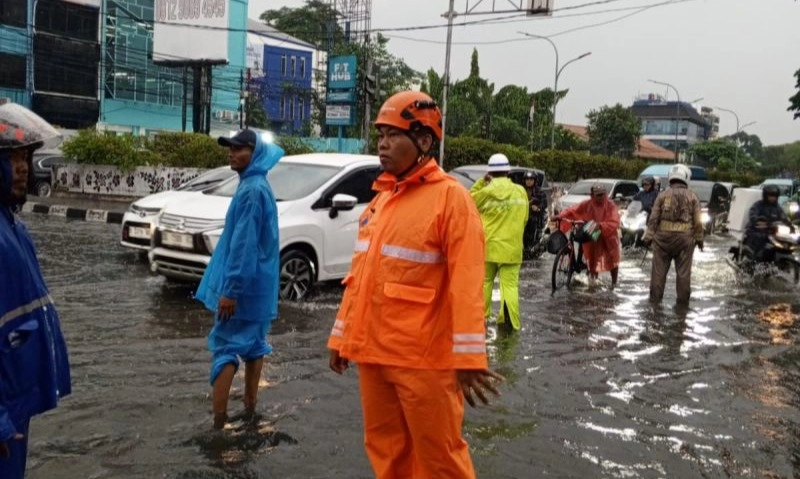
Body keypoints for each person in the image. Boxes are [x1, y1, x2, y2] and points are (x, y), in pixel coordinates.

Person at [327, 91, 503, 479]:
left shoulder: (451, 200)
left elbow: (467, 283)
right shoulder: (381, 200)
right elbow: (359, 277)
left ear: (424, 141)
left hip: (424, 360)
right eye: (381, 136)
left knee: (440, 458)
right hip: (374, 353)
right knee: (387, 452)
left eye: (394, 135)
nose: (383, 145)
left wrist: (469, 358)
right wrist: (342, 337)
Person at [0, 103, 71, 478]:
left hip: (15, 400)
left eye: (25, 156)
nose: (23, 167)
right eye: (11, 158)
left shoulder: (15, 227)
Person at [195, 129, 283, 429]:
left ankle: (218, 423)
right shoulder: (257, 185)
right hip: (259, 284)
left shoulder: (251, 191)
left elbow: (243, 245)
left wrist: (231, 290)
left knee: (225, 347)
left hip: (243, 286)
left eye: (239, 149)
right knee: (255, 344)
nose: (232, 153)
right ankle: (250, 408)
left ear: (254, 153)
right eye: (230, 148)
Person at [470, 154, 529, 330]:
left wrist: (481, 182)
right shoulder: (520, 191)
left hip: (488, 246)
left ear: (489, 173)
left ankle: (481, 319)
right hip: (512, 248)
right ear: (508, 171)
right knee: (510, 286)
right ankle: (510, 322)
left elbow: (468, 202)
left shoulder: (485, 192)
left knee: (485, 282)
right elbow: (525, 218)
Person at [642, 164, 704, 305]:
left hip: (662, 241)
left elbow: (653, 219)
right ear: (686, 177)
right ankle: (682, 308)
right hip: (685, 241)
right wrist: (699, 239)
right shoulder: (693, 196)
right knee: (683, 275)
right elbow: (698, 222)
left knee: (658, 275)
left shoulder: (662, 195)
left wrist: (648, 237)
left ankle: (654, 306)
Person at [557, 184, 622, 287]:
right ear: (593, 195)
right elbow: (573, 210)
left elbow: (614, 221)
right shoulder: (587, 204)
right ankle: (592, 281)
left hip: (608, 235)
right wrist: (560, 216)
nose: (600, 197)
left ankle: (614, 283)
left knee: (612, 258)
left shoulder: (610, 205)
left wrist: (601, 225)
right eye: (598, 195)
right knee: (592, 256)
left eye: (602, 194)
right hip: (593, 230)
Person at [744, 184, 795, 262]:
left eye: (775, 196)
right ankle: (754, 260)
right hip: (756, 230)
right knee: (760, 238)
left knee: (785, 240)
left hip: (771, 231)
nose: (773, 198)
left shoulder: (777, 208)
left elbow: (784, 217)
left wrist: (790, 225)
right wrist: (758, 219)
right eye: (771, 196)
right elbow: (753, 214)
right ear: (765, 195)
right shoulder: (759, 205)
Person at [522, 170, 548, 256]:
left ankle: (531, 245)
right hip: (522, 215)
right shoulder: (521, 191)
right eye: (527, 179)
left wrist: (538, 207)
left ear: (534, 180)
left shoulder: (539, 191)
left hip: (535, 216)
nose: (529, 181)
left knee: (532, 221)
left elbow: (544, 203)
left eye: (531, 179)